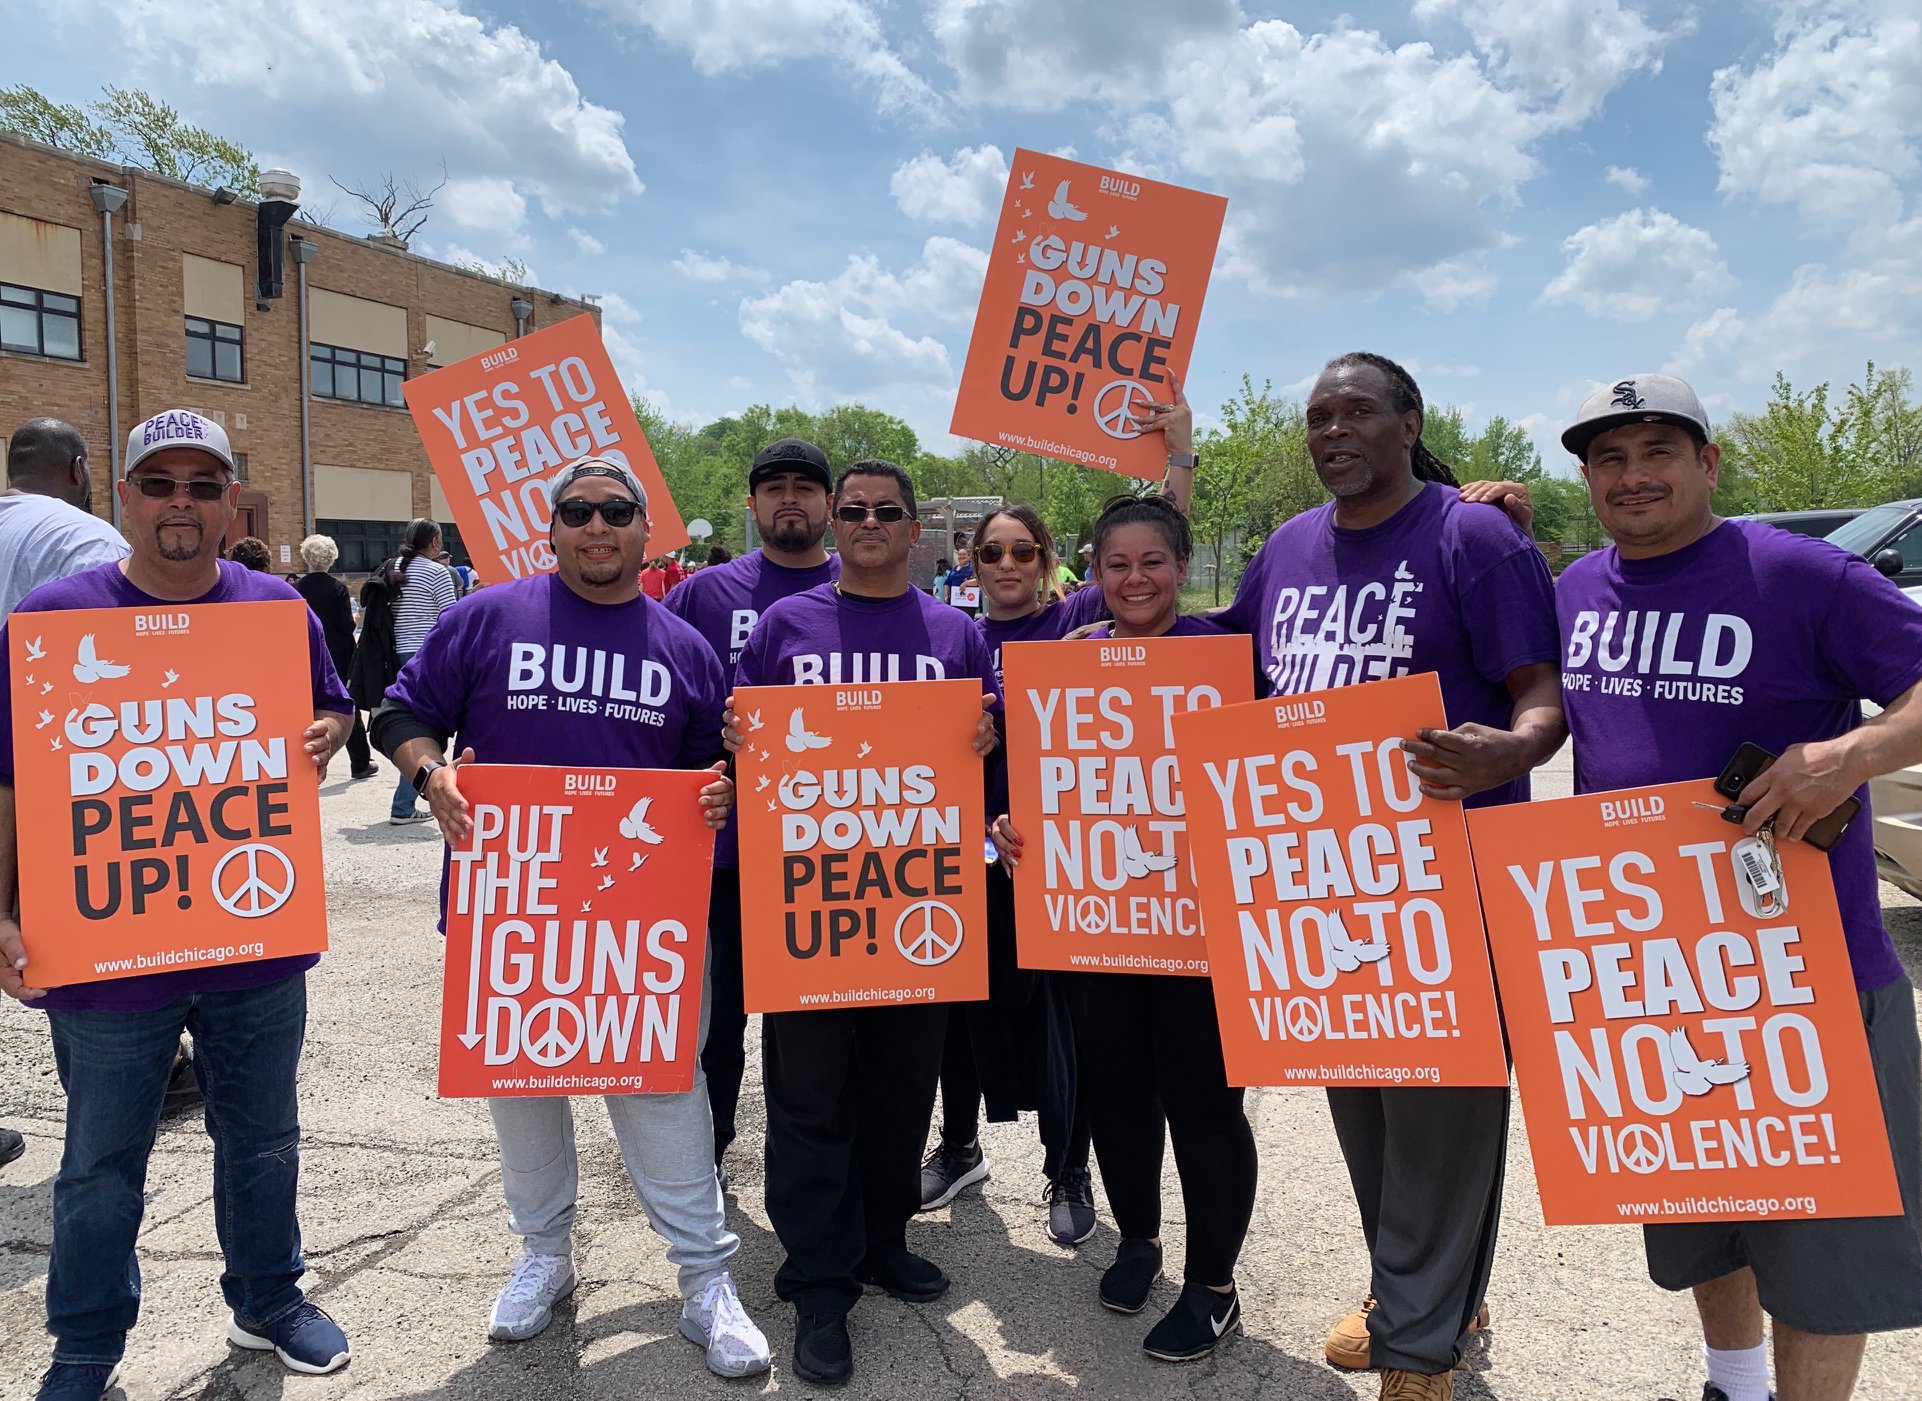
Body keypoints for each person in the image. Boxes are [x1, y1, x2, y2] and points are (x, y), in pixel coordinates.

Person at [1555, 373, 1922, 1401]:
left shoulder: (1799, 574)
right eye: (1607, 459)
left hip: (1809, 968)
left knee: (1826, 1248)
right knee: (1698, 1212)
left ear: (1706, 464)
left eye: (1655, 453)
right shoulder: (1574, 590)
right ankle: (1733, 1384)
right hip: (1652, 971)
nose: (1631, 477)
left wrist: (1849, 753)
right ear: (1585, 478)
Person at [368, 455, 771, 1379]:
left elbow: (720, 767)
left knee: (667, 1092)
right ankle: (545, 1254)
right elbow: (400, 715)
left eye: (616, 511)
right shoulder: (485, 617)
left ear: (643, 530)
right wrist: (434, 776)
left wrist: (722, 792)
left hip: (646, 920)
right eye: (579, 512)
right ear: (550, 528)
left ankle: (706, 1280)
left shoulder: (685, 648)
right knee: (523, 1089)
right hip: (512, 909)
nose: (598, 526)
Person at [1215, 352, 1563, 1401]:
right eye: (1318, 416)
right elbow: (1223, 675)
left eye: (1356, 410)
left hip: (1446, 876)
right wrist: (1094, 652)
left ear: (1408, 424)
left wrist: (1512, 749)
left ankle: (1418, 1355)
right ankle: (1421, 1292)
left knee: (1443, 1116)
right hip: (1321, 884)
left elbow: (1538, 693)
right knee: (1361, 1109)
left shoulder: (1472, 536)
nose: (1332, 430)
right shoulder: (1282, 551)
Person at [0, 408, 354, 1401]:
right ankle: (85, 1344)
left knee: (264, 1137)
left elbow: (332, 702)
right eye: (161, 484)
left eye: (204, 485)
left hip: (251, 941)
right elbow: (11, 781)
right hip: (106, 950)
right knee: (99, 1162)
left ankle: (270, 1300)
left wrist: (327, 728)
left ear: (231, 500)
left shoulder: (279, 609)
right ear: (121, 497)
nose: (182, 504)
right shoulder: (53, 621)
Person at [726, 458, 1001, 1386]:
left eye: (888, 510)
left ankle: (885, 1238)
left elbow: (986, 763)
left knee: (898, 1091)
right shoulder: (783, 626)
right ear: (837, 525)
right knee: (809, 1099)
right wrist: (735, 747)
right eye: (855, 510)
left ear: (916, 526)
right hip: (812, 903)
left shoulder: (956, 633)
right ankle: (817, 1279)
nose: (870, 521)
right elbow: (746, 751)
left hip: (921, 901)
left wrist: (986, 745)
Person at [921, 376, 1200, 1244]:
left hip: (1067, 857)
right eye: (990, 553)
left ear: (1048, 562)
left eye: (1022, 552)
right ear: (970, 563)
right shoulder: (951, 635)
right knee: (959, 1011)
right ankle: (959, 1143)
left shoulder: (1077, 622)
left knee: (1063, 1025)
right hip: (973, 849)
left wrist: (1179, 449)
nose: (1006, 566)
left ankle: (1066, 1168)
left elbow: (1153, 542)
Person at [990, 494, 1256, 1362]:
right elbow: (1034, 783)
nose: (1134, 578)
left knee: (1206, 1104)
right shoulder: (1068, 662)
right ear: (1092, 573)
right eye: (1116, 563)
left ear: (1183, 568)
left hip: (1201, 926)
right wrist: (1011, 826)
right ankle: (1138, 1237)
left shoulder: (1229, 657)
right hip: (1097, 916)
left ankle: (1213, 1285)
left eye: (1152, 562)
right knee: (1117, 1092)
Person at [664, 436, 839, 1188]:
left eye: (806, 486)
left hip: (834, 849)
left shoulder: (865, 582)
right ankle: (708, 1160)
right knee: (719, 1024)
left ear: (829, 504)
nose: (790, 498)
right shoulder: (705, 594)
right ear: (752, 502)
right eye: (775, 487)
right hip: (727, 849)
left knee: (821, 1029)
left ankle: (820, 1179)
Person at [1, 417, 133, 1170]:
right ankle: (115, 1097)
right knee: (69, 937)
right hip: (46, 772)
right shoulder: (84, 541)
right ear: (83, 470)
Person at [383, 520, 457, 825]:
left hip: (393, 653)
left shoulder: (392, 567)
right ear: (436, 543)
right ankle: (402, 805)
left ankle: (403, 804)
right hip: (425, 654)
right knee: (422, 732)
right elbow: (452, 618)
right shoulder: (437, 573)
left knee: (406, 724)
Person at [293, 534, 378, 780]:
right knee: (343, 704)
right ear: (331, 558)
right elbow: (345, 626)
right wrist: (353, 621)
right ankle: (360, 761)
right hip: (339, 653)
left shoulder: (296, 588)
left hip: (307, 652)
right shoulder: (338, 588)